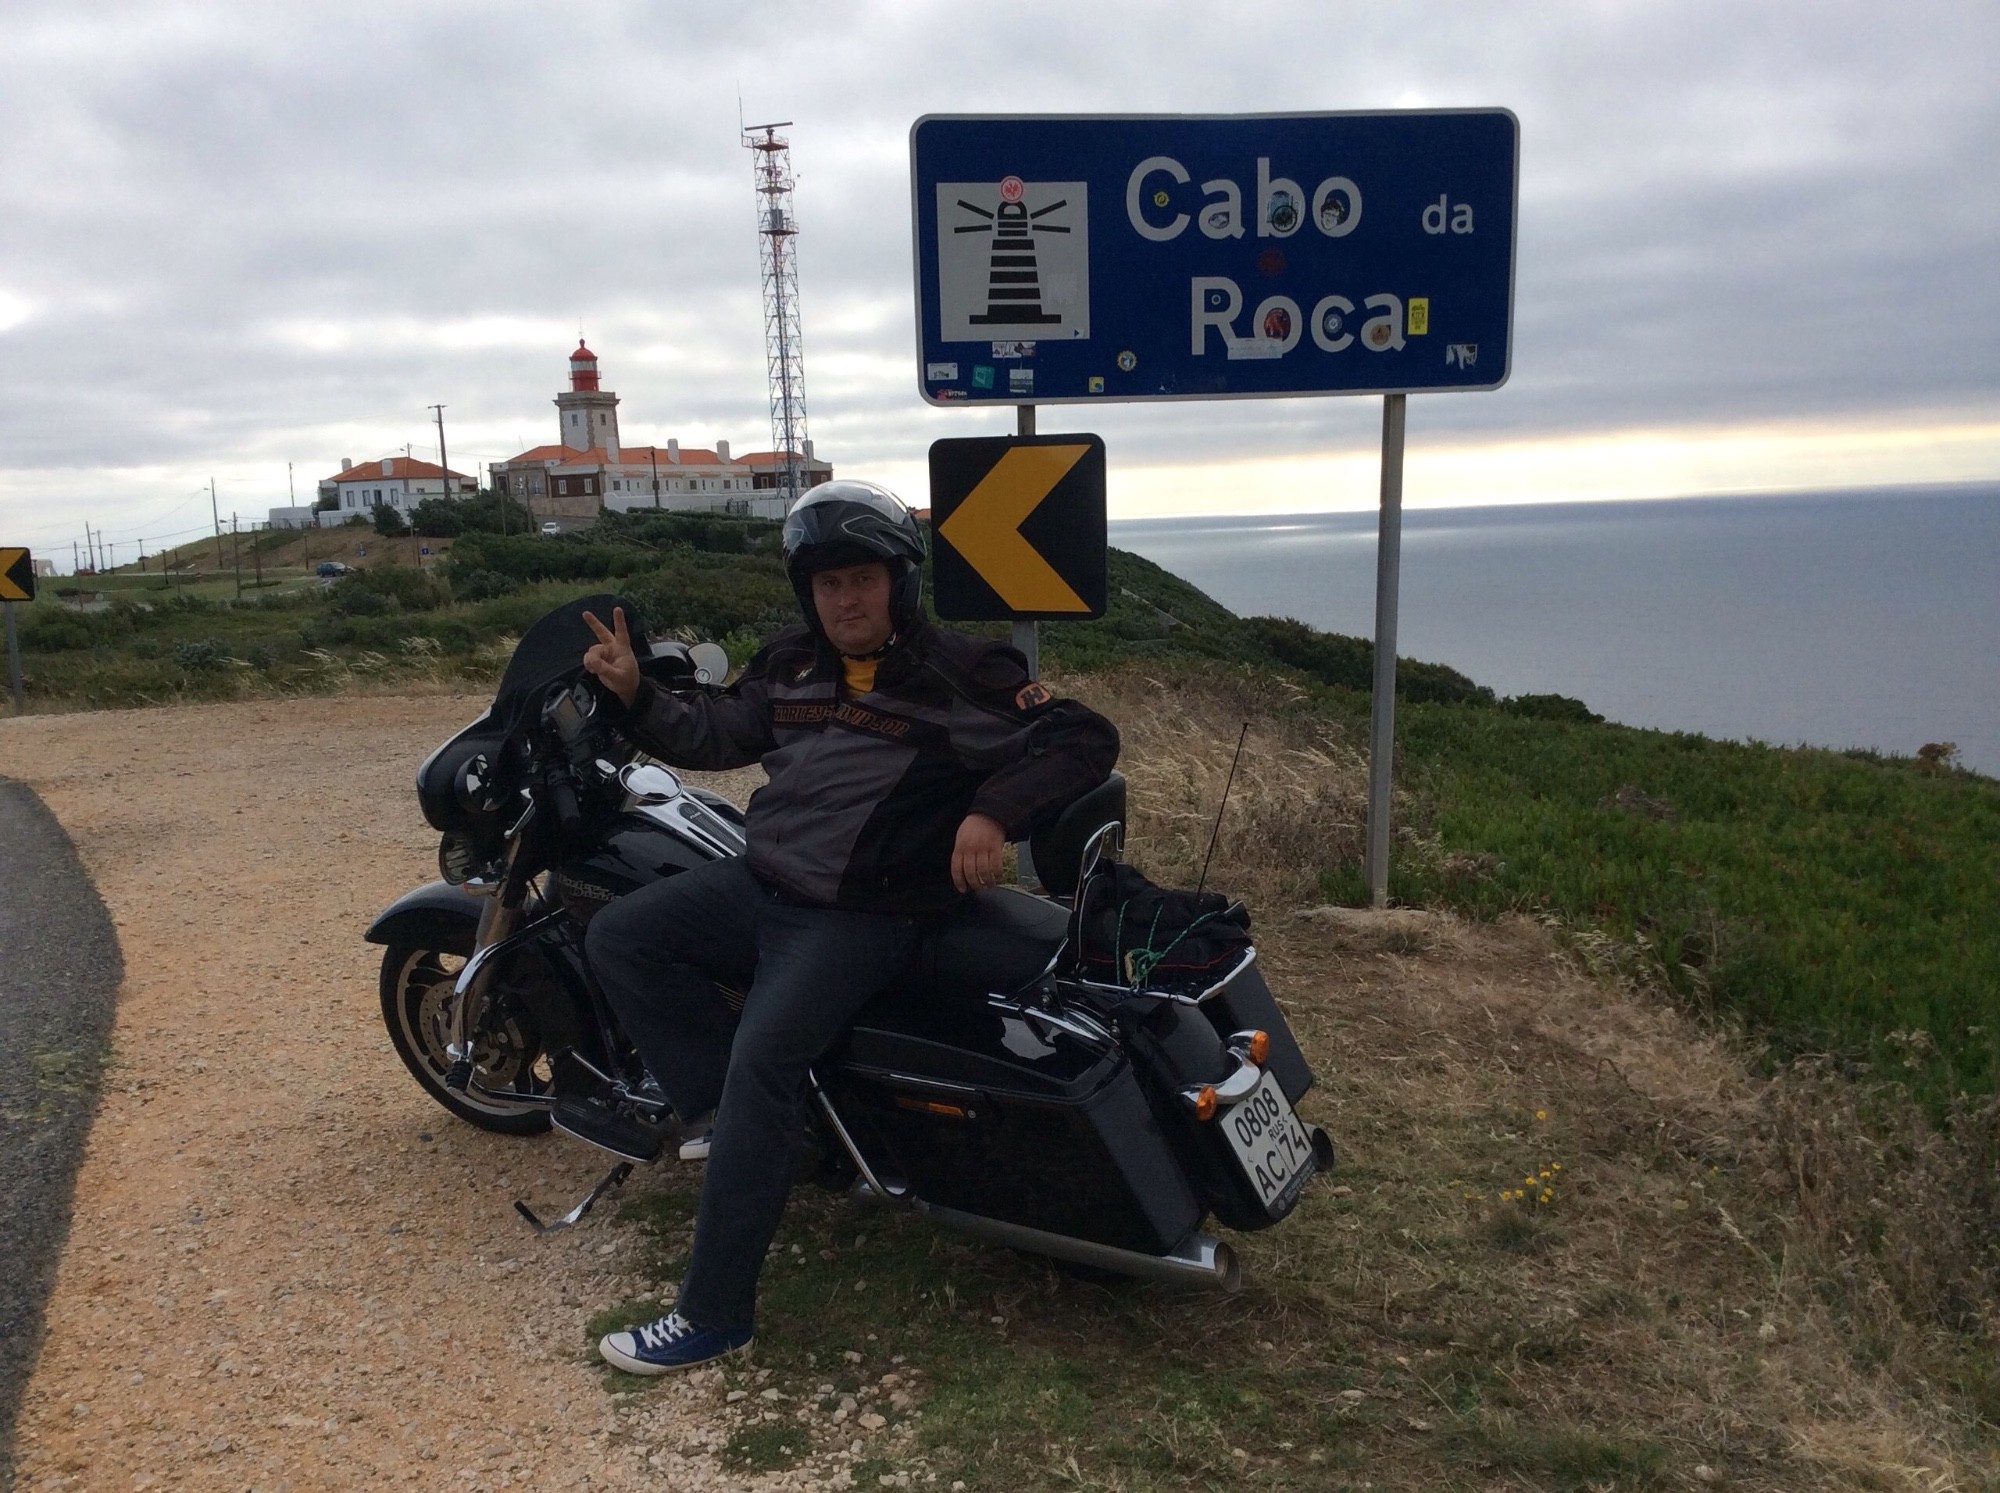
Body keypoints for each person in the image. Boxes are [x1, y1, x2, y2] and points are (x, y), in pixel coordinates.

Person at [578, 480, 1119, 1374]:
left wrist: (992, 813)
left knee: (765, 1057)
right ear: (807, 592)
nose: (846, 599)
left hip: (863, 916)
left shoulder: (959, 672)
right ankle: (739, 1124)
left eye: (863, 578)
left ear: (898, 581)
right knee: (622, 935)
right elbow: (718, 731)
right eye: (828, 584)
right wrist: (638, 691)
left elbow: (1082, 737)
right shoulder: (791, 663)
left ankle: (714, 1313)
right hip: (764, 883)